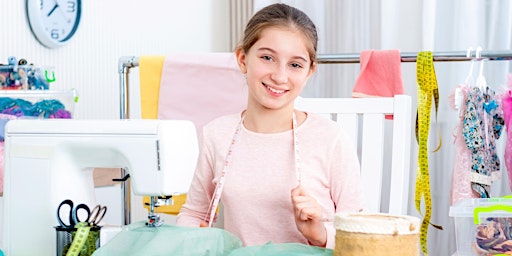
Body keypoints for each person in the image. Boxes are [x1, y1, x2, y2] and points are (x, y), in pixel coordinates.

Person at [176, 3, 362, 249]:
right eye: (267, 58)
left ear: (309, 71)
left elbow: (360, 234)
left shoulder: (330, 139)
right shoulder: (216, 134)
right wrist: (190, 237)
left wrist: (319, 234)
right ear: (243, 59)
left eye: (295, 64)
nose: (279, 76)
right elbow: (194, 214)